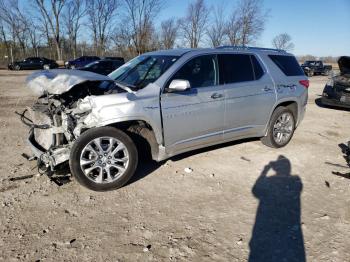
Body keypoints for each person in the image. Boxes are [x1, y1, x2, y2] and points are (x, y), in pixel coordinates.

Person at [249, 155, 305, 262]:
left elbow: (255, 191)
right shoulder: (296, 181)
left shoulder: (271, 180)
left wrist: (264, 172)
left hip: (268, 223)